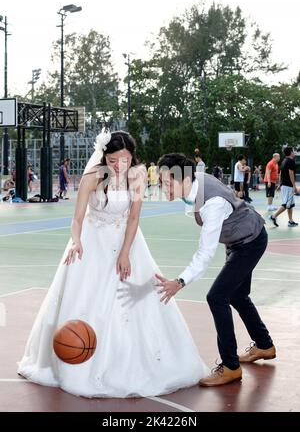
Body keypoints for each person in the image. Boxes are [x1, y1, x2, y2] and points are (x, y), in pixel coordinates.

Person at [18, 131, 207, 398]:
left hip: (127, 242)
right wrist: (75, 241)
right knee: (86, 301)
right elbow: (77, 218)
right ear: (105, 157)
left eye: (125, 160)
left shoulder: (137, 175)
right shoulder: (92, 177)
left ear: (132, 157)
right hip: (92, 242)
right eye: (114, 160)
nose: (119, 166)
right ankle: (77, 365)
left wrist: (125, 252)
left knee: (134, 305)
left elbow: (133, 218)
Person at [156, 153, 276, 387]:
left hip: (250, 241)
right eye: (161, 182)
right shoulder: (195, 183)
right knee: (237, 295)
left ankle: (230, 366)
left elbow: (205, 254)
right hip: (239, 238)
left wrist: (180, 281)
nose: (163, 187)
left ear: (185, 180)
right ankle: (264, 345)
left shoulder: (212, 204)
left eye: (168, 182)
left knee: (217, 296)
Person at [269, 147, 298, 227]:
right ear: (291, 152)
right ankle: (273, 216)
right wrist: (294, 186)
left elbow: (281, 173)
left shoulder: (284, 161)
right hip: (288, 186)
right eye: (293, 151)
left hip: (284, 185)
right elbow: (291, 173)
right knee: (285, 204)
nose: (294, 152)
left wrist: (280, 184)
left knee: (290, 205)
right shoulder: (291, 161)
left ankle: (290, 221)